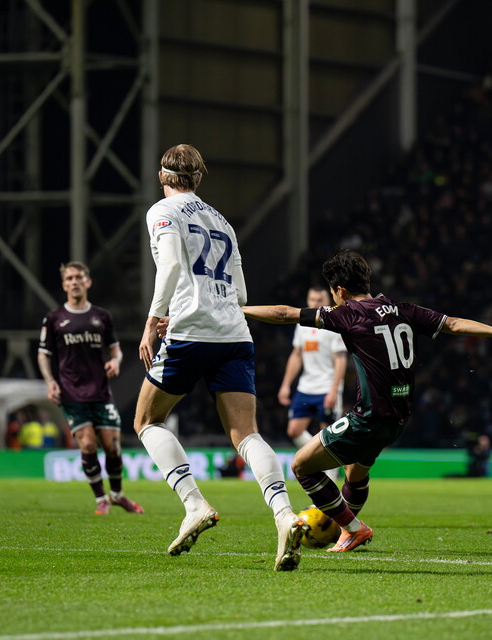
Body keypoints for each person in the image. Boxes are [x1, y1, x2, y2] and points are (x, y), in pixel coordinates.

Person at [242, 249, 492, 552]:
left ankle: (352, 528)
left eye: (333, 292)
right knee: (356, 473)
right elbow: (454, 323)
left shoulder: (349, 314)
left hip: (368, 418)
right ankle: (346, 532)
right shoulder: (404, 309)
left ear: (339, 291)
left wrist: (241, 311)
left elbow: (285, 313)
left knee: (302, 465)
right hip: (398, 419)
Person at [135, 143, 307, 572]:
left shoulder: (163, 211)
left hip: (191, 331)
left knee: (146, 421)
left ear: (162, 177)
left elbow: (171, 265)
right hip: (234, 332)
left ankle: (194, 505)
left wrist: (155, 319)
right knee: (246, 434)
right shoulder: (223, 222)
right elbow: (242, 294)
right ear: (200, 178)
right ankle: (285, 514)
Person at [38, 261, 143, 516]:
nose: (74, 281)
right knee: (87, 445)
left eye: (79, 277)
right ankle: (101, 500)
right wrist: (50, 382)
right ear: (64, 285)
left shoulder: (102, 317)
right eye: (69, 278)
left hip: (101, 392)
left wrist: (116, 362)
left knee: (113, 448)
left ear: (88, 282)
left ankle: (117, 495)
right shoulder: (54, 319)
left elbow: (115, 350)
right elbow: (43, 355)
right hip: (71, 393)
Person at [278, 286, 347, 480]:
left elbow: (341, 360)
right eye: (312, 300)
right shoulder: (302, 324)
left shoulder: (333, 325)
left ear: (327, 301)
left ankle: (331, 477)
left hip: (327, 387)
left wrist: (335, 390)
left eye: (319, 300)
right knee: (294, 430)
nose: (315, 303)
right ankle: (319, 458)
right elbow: (296, 355)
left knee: (327, 434)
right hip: (306, 387)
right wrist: (286, 385)